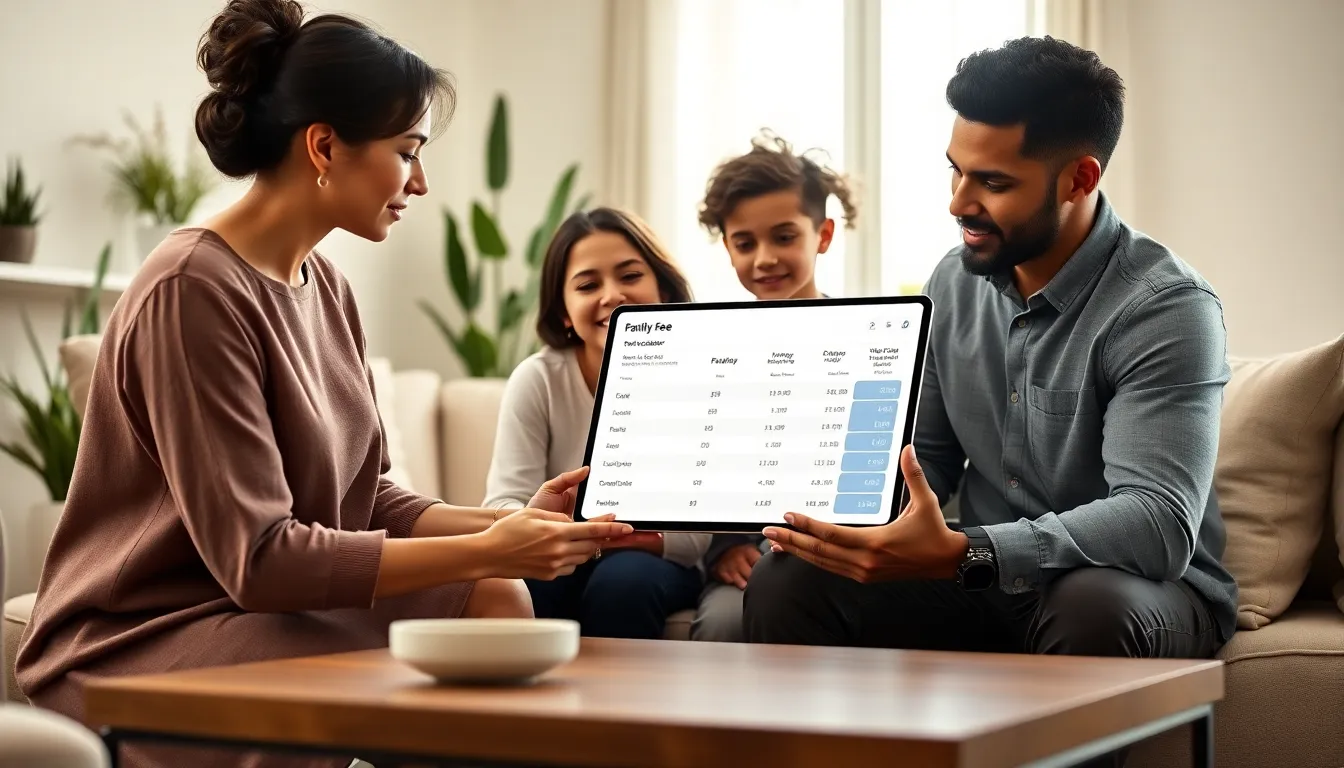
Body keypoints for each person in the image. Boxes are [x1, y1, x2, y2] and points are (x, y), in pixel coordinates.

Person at [15, 2, 637, 766]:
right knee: (479, 592)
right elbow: (263, 559)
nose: (421, 181)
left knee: (496, 599)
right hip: (145, 634)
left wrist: (502, 527)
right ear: (324, 147)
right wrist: (489, 548)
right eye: (407, 151)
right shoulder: (192, 291)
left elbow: (367, 494)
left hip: (253, 606)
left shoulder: (327, 287)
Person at [744, 35, 1237, 690]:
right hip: (980, 573)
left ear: (1080, 179)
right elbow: (929, 458)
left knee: (1090, 607)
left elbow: (1157, 522)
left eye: (993, 183)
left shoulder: (1166, 309)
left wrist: (970, 550)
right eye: (956, 170)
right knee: (791, 580)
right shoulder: (953, 280)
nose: (957, 202)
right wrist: (830, 519)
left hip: (1141, 589)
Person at [482, 207, 710, 639]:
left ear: (662, 288)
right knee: (528, 584)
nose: (612, 295)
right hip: (560, 551)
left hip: (654, 563)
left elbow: (697, 534)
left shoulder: (699, 374)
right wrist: (557, 535)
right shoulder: (538, 379)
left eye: (630, 276)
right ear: (564, 312)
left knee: (623, 584)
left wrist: (616, 538)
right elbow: (505, 501)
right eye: (588, 284)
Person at [691, 132, 858, 642]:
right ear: (728, 247)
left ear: (822, 235)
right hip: (747, 560)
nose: (764, 258)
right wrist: (724, 548)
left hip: (832, 555)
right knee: (722, 623)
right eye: (745, 243)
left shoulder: (864, 337)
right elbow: (702, 464)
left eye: (784, 237)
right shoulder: (709, 349)